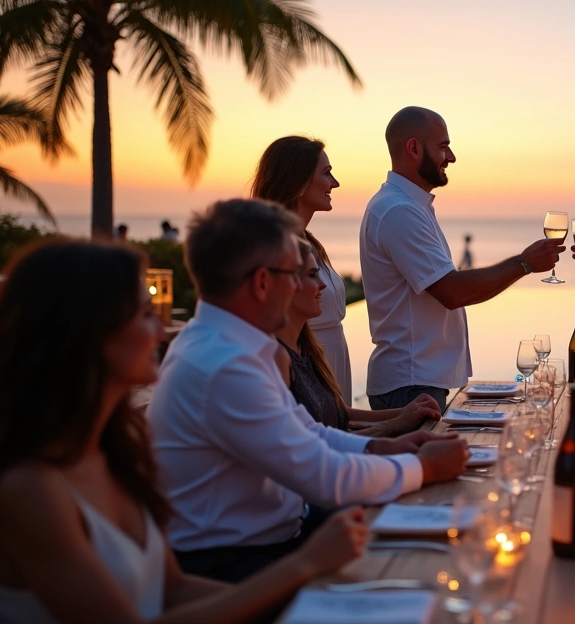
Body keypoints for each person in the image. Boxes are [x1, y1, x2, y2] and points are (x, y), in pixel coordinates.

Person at [0, 240, 369, 623]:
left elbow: (172, 589)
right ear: (87, 332)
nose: (161, 333)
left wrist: (314, 598)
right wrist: (303, 565)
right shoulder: (28, 490)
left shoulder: (116, 453)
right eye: (145, 315)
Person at [149, 199, 469, 582]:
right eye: (294, 275)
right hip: (232, 567)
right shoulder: (224, 366)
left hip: (266, 544)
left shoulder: (226, 344)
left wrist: (385, 447)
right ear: (262, 283)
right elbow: (325, 478)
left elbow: (309, 434)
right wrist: (423, 468)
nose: (304, 287)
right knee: (425, 568)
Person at [361, 107, 564, 411]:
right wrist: (523, 264)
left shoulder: (407, 206)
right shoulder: (398, 211)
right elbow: (452, 292)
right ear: (414, 149)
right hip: (409, 385)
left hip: (416, 381)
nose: (451, 157)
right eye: (443, 147)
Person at [274, 239, 442, 435]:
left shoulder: (308, 350)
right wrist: (394, 427)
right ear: (284, 286)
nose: (323, 285)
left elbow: (342, 413)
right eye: (312, 275)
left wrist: (408, 412)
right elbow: (310, 444)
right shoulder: (277, 359)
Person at [252, 136, 354, 403]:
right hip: (306, 377)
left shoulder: (311, 244)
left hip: (330, 366)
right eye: (326, 173)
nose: (335, 183)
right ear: (299, 183)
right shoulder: (275, 248)